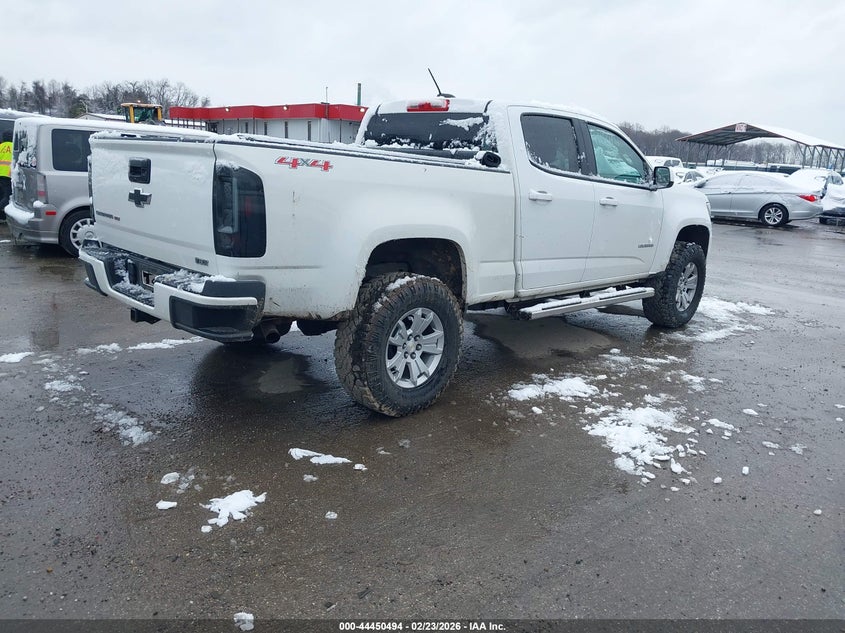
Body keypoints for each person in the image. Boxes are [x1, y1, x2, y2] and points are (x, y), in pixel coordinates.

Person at [0, 130, 13, 220]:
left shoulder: (0, 146)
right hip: (8, 175)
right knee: (7, 196)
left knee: (1, 195)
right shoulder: (13, 147)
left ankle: (2, 217)